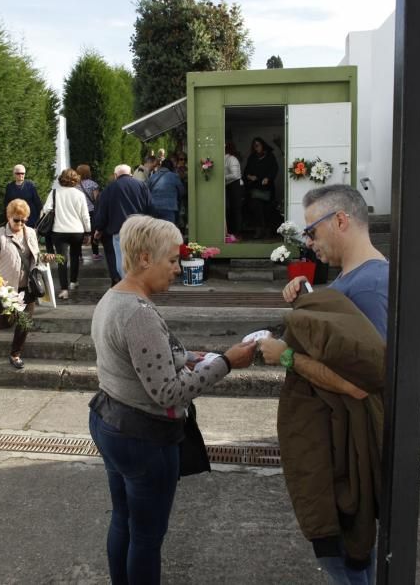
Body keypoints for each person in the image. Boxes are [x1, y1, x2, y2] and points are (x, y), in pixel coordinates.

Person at [88, 215, 257, 584]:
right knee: (147, 538)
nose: (178, 269)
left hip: (110, 420)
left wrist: (192, 357)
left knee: (124, 519)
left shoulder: (114, 296)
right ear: (145, 258)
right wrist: (227, 362)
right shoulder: (138, 313)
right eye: (172, 260)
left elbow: (141, 358)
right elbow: (168, 391)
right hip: (143, 436)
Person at [259, 184, 389, 584]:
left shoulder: (369, 286)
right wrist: (312, 298)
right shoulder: (352, 280)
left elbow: (361, 383)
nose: (308, 241)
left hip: (346, 451)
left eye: (312, 231)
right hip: (335, 444)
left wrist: (284, 354)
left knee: (348, 563)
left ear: (341, 221)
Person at [0, 199, 54, 369]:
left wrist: (45, 257)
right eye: (16, 220)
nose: (20, 223)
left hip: (28, 286)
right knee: (9, 319)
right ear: (8, 217)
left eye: (23, 220)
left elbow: (35, 256)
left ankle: (15, 354)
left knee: (24, 321)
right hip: (7, 287)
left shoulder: (31, 233)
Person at [93, 164, 151, 285]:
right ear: (130, 174)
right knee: (138, 257)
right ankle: (139, 282)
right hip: (138, 228)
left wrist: (99, 228)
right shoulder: (142, 186)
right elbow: (150, 207)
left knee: (121, 260)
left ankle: (127, 284)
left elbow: (102, 211)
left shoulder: (109, 189)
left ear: (115, 175)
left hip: (119, 230)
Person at [40, 168, 91, 300]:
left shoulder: (54, 193)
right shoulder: (79, 195)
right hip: (77, 231)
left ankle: (64, 289)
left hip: (59, 230)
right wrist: (88, 231)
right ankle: (73, 281)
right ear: (76, 180)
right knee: (75, 256)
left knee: (62, 259)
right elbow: (85, 215)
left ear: (62, 179)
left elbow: (46, 209)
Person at [243, 137, 279, 239]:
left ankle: (267, 231)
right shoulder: (252, 157)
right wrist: (250, 176)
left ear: (262, 145)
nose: (256, 147)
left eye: (258, 145)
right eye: (254, 146)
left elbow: (274, 169)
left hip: (268, 188)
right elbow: (246, 172)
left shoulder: (270, 156)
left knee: (267, 209)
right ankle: (258, 230)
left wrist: (268, 178)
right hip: (255, 189)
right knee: (256, 208)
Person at [147, 158, 184, 226]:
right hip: (169, 208)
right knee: (168, 230)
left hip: (154, 207)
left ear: (161, 166)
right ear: (171, 168)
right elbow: (181, 191)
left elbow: (147, 191)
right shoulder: (174, 176)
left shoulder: (153, 176)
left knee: (155, 230)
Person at [76, 164, 101, 261]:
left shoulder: (75, 185)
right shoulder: (93, 184)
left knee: (79, 233)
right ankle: (95, 253)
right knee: (93, 232)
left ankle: (79, 254)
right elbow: (97, 199)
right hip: (91, 211)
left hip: (79, 212)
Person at [223, 142, 243, 241]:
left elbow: (236, 175)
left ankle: (237, 232)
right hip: (229, 186)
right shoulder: (226, 159)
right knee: (229, 209)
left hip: (235, 186)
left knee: (236, 209)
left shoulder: (232, 159)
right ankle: (231, 232)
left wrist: (222, 178)